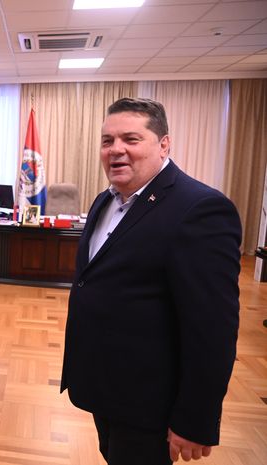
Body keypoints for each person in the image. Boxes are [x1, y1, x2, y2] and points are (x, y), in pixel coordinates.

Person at [61, 98, 241, 464]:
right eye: (107, 141)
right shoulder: (105, 199)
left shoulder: (200, 209)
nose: (116, 150)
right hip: (105, 385)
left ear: (163, 145)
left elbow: (212, 329)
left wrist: (196, 418)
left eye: (131, 139)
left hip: (149, 401)